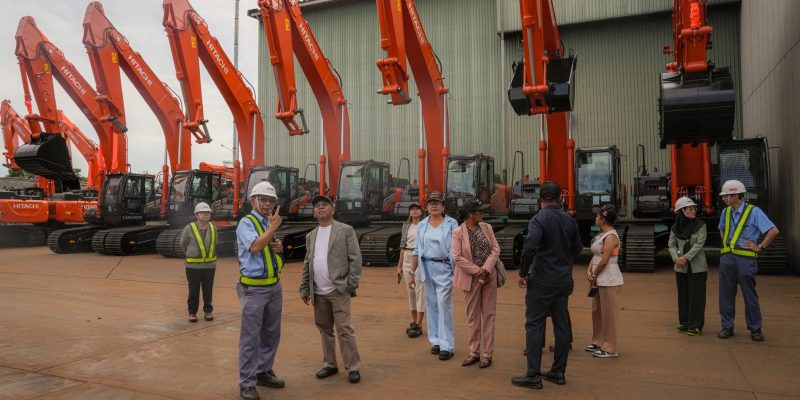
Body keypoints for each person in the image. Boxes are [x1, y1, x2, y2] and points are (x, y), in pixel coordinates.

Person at [512, 181, 582, 390]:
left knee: (534, 324)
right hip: (563, 281)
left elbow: (530, 248)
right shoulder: (570, 221)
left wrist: (523, 273)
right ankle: (558, 372)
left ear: (539, 199)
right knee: (561, 325)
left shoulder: (538, 220)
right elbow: (577, 249)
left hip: (542, 281)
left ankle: (533, 375)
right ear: (560, 198)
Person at [300, 195, 363, 384]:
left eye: (324, 205)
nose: (320, 208)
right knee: (324, 329)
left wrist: (350, 285)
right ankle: (330, 364)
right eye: (317, 206)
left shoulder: (345, 230)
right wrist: (305, 287)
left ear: (332, 209)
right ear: (314, 213)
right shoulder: (311, 235)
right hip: (318, 292)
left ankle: (353, 367)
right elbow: (307, 262)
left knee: (344, 329)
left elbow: (355, 259)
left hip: (338, 290)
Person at [235, 182, 286, 400]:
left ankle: (263, 371)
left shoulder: (267, 223)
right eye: (263, 200)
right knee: (250, 338)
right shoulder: (246, 223)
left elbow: (267, 252)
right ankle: (247, 383)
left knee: (271, 334)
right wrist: (273, 228)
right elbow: (255, 247)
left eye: (271, 201)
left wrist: (279, 249)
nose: (267, 204)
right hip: (254, 289)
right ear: (253, 201)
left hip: (274, 286)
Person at [717, 180, 779, 342]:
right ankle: (727, 326)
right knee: (726, 294)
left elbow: (773, 231)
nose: (724, 199)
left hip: (746, 258)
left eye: (726, 196)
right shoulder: (726, 212)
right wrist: (726, 245)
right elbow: (722, 229)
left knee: (749, 294)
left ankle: (755, 329)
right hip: (728, 259)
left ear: (735, 196)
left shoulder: (754, 212)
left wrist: (760, 247)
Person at [409, 191, 459, 361]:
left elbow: (457, 248)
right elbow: (417, 250)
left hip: (444, 267)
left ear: (443, 206)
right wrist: (411, 273)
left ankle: (447, 345)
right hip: (426, 267)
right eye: (431, 203)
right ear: (427, 207)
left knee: (443, 304)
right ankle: (435, 341)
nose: (434, 205)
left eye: (438, 203)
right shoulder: (422, 225)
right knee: (431, 304)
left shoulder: (452, 223)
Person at [452, 198, 500, 369]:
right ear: (470, 214)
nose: (483, 213)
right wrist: (477, 271)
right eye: (479, 211)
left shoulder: (487, 228)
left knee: (489, 315)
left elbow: (495, 249)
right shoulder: (458, 232)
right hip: (470, 279)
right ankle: (474, 352)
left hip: (489, 277)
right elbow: (457, 257)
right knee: (473, 316)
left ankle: (487, 354)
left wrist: (486, 269)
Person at [585, 204, 624, 358]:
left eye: (598, 217)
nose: (596, 219)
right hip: (599, 278)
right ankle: (599, 341)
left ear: (603, 220)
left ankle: (610, 347)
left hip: (608, 278)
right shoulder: (601, 236)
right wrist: (590, 270)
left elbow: (604, 260)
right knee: (597, 312)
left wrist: (594, 274)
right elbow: (596, 256)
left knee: (609, 314)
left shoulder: (611, 237)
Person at [668, 197, 707, 336]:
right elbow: (671, 245)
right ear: (681, 211)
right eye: (690, 209)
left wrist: (685, 257)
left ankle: (695, 326)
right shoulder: (675, 227)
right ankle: (684, 323)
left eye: (694, 208)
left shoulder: (700, 225)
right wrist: (676, 258)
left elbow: (698, 245)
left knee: (696, 296)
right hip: (680, 266)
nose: (693, 211)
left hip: (697, 267)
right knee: (683, 295)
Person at [179, 202, 217, 323]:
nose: (206, 215)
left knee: (208, 289)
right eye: (203, 213)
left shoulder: (213, 228)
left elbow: (215, 244)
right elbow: (182, 244)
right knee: (193, 290)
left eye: (208, 213)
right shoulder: (189, 228)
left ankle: (208, 310)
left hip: (210, 266)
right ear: (196, 215)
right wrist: (191, 254)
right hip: (193, 266)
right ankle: (192, 312)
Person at [397, 202, 425, 338]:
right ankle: (413, 322)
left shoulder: (425, 225)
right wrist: (399, 266)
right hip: (407, 258)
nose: (414, 211)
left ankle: (419, 324)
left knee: (420, 291)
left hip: (419, 258)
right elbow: (402, 246)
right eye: (412, 209)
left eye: (417, 209)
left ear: (421, 211)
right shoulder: (406, 226)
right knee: (411, 292)